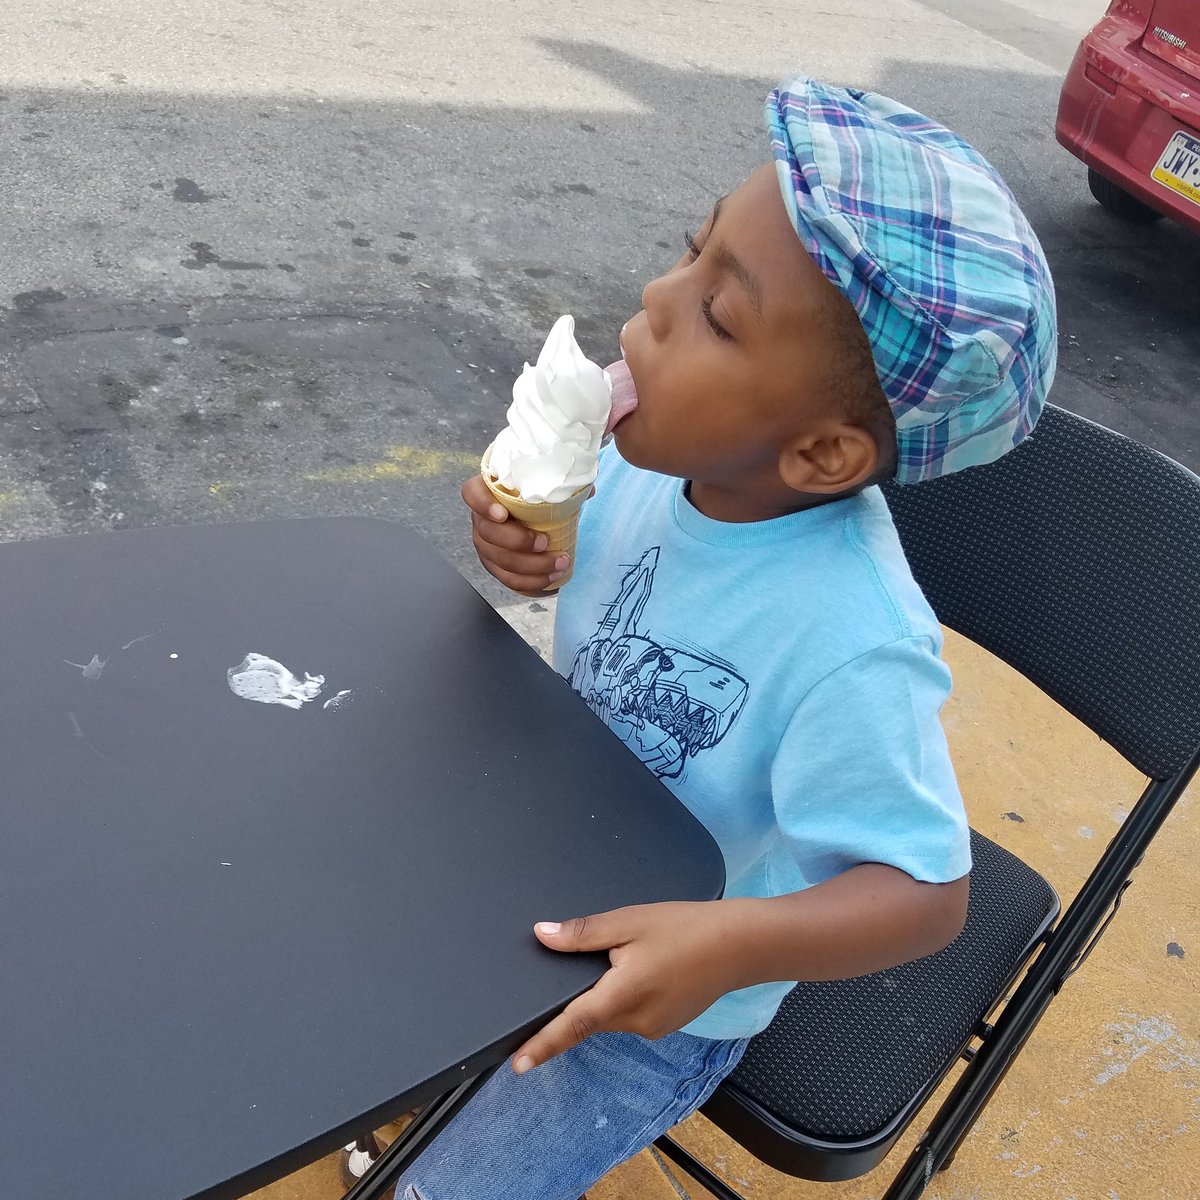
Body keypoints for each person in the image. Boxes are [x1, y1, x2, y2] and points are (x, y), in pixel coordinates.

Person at [393, 76, 1057, 1200]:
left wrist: (730, 947)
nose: (656, 299)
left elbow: (925, 893)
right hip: (546, 841)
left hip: (669, 998)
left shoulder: (851, 642)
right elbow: (579, 567)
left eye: (717, 315)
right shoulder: (646, 458)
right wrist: (526, 543)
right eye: (692, 252)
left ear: (822, 455)